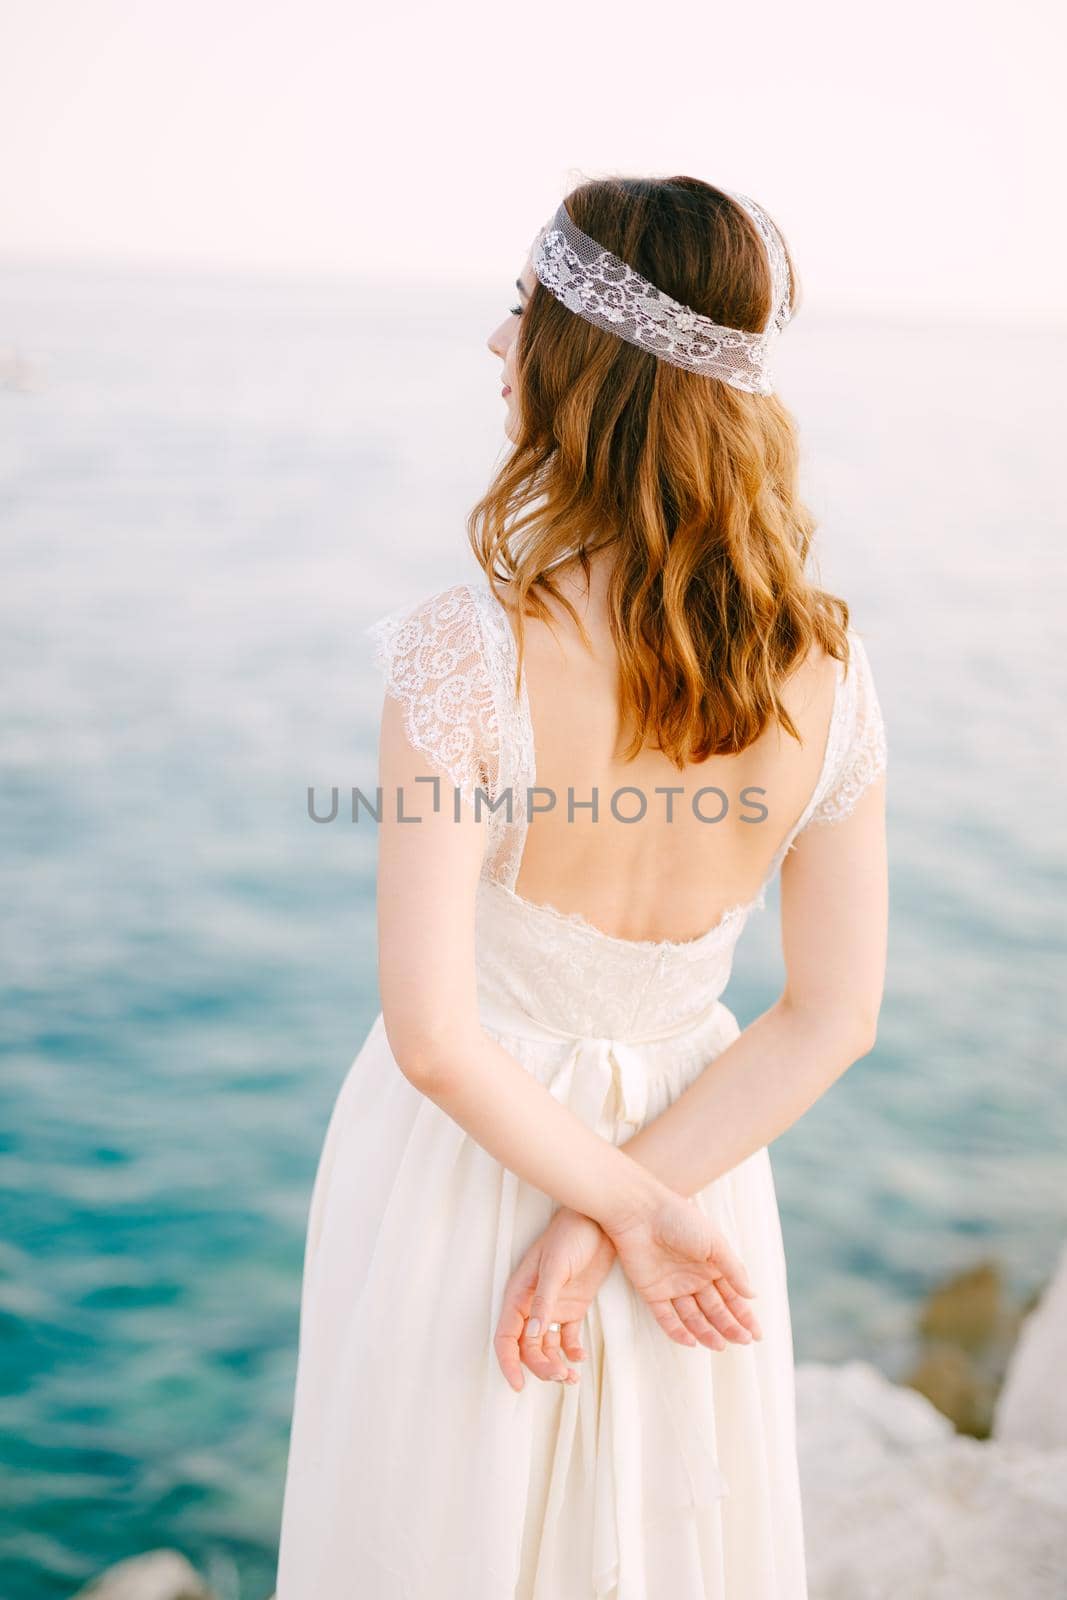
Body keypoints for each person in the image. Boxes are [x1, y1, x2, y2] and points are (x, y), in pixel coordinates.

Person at [275, 174, 888, 1600]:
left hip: (466, 1168)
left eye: (522, 310)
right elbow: (831, 1015)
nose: (499, 344)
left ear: (582, 359)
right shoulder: (830, 672)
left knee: (430, 1531)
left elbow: (433, 1038)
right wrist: (644, 1207)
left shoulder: (460, 652)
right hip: (702, 1164)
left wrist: (594, 1211)